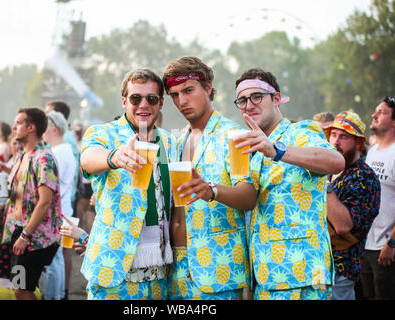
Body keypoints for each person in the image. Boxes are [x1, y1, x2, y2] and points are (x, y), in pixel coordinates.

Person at [232, 68, 345, 300]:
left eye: (256, 97)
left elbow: (336, 161)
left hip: (300, 275)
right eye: (242, 100)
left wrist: (276, 150)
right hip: (265, 278)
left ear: (276, 99)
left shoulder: (300, 131)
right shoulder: (251, 150)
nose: (249, 105)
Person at [162, 56, 256, 300]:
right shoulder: (177, 140)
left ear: (208, 87)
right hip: (176, 268)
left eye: (188, 90)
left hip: (218, 268)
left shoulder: (233, 135)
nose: (182, 101)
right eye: (174, 95)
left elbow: (249, 196)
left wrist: (212, 190)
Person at [80, 68, 176, 300]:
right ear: (124, 101)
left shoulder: (171, 141)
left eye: (151, 99)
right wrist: (113, 157)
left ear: (161, 103)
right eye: (135, 98)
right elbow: (88, 159)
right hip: (113, 268)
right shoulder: (102, 133)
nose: (143, 104)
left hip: (159, 272)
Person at [0, 107, 61, 300]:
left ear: (31, 127)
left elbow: (45, 202)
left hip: (35, 235)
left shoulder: (44, 158)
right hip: (20, 229)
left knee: (21, 289)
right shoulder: (22, 155)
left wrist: (25, 236)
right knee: (20, 287)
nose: (14, 126)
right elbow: (22, 194)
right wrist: (5, 189)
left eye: (18, 123)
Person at [323, 111, 380, 300]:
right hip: (320, 266)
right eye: (333, 135)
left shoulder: (364, 176)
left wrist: (324, 184)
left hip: (340, 271)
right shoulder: (333, 170)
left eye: (344, 137)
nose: (335, 141)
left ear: (358, 143)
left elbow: (343, 226)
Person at [361, 96, 395, 300]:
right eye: (375, 111)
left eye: (381, 112)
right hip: (366, 245)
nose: (374, 115)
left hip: (386, 248)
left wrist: (391, 243)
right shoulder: (371, 152)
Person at [42, 110, 77, 300]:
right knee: (58, 260)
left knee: (52, 261)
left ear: (53, 129)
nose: (42, 132)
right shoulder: (64, 150)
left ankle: (53, 297)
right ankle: (59, 295)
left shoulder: (57, 152)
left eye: (45, 127)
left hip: (57, 213)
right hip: (64, 211)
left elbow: (51, 186)